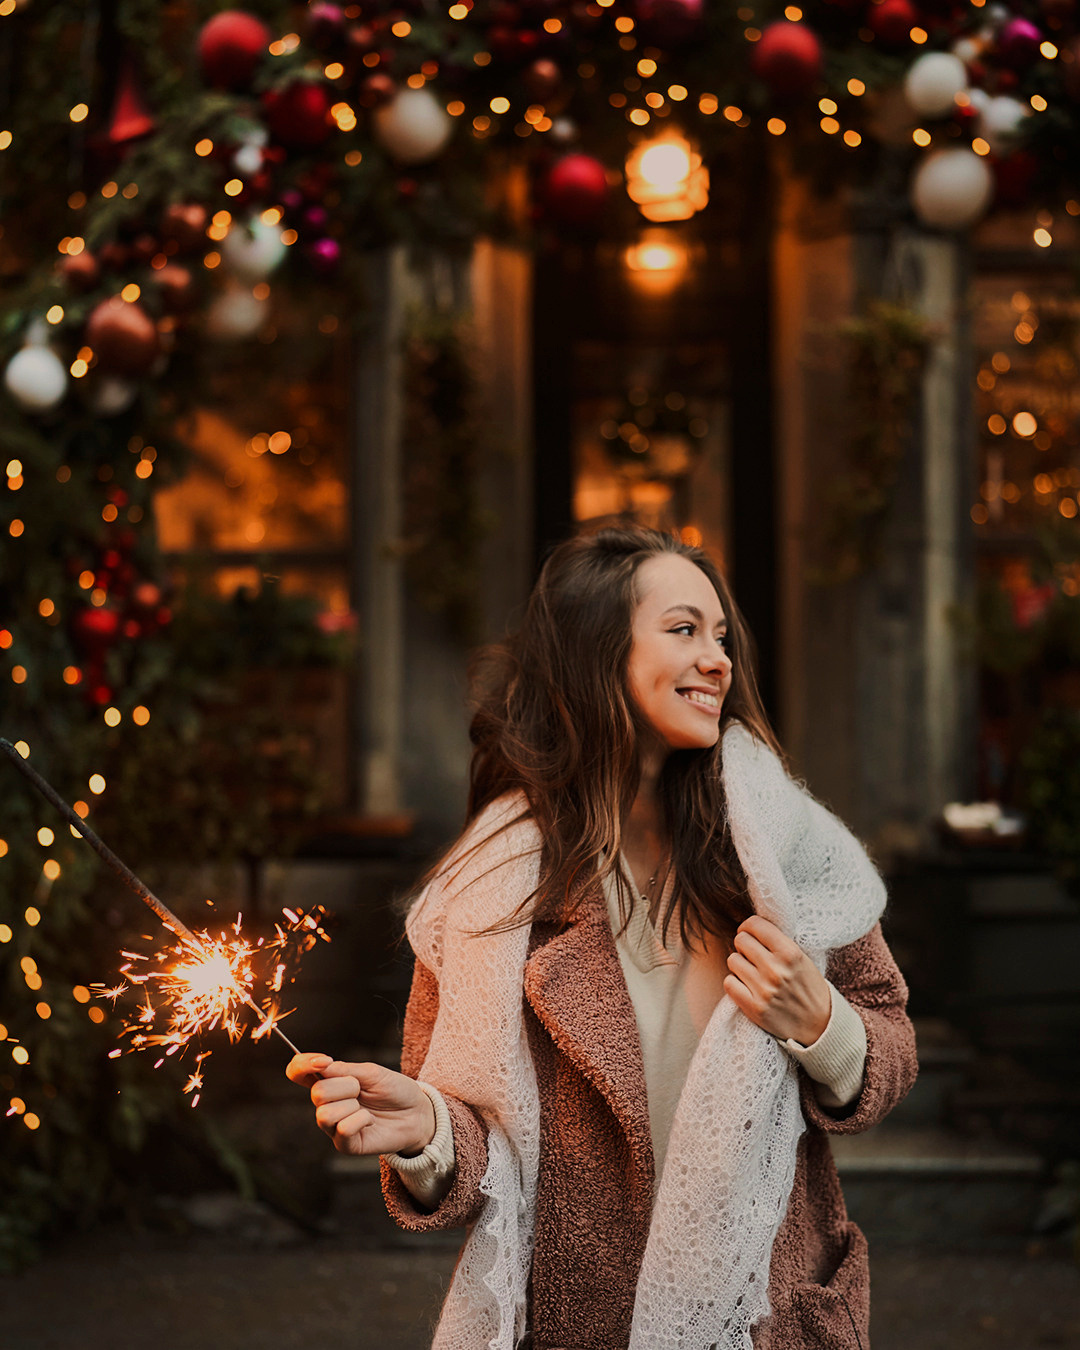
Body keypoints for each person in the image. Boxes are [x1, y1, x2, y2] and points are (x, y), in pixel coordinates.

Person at [288, 525, 918, 1350]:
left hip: (765, 1316)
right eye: (685, 629)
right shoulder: (486, 894)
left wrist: (824, 1027)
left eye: (722, 636)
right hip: (582, 1324)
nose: (719, 659)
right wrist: (425, 1133)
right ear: (595, 653)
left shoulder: (787, 847)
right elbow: (476, 1141)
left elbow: (891, 1040)